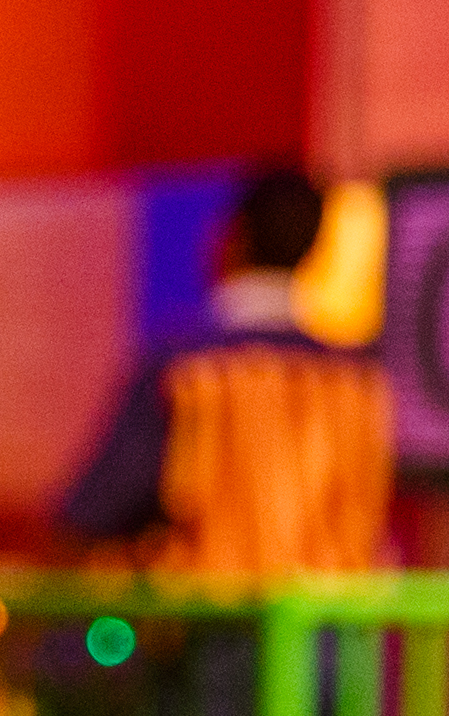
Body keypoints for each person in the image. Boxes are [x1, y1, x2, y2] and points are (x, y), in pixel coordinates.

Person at [52, 163, 387, 571]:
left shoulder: (186, 369)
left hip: (209, 621)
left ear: (231, 238)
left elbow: (100, 505)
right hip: (326, 628)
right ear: (317, 250)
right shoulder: (359, 380)